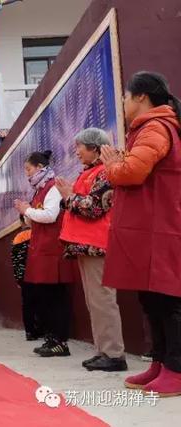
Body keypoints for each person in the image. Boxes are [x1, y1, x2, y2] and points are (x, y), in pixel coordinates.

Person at [100, 71, 181, 396]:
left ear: (141, 98)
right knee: (151, 299)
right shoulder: (151, 129)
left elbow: (133, 173)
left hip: (161, 231)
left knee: (168, 301)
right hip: (151, 230)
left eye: (125, 97)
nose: (123, 103)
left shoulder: (155, 127)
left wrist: (112, 168)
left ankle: (176, 368)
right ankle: (160, 362)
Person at [56, 127, 127, 372]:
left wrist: (69, 197)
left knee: (103, 300)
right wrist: (71, 196)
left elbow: (95, 207)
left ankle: (114, 354)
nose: (76, 152)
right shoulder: (90, 172)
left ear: (95, 149)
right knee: (94, 301)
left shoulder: (105, 172)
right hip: (87, 245)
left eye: (80, 147)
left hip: (98, 244)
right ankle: (104, 351)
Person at [14, 150, 75, 357]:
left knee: (56, 297)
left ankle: (60, 341)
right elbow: (36, 220)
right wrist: (27, 212)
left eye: (28, 169)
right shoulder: (39, 190)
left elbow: (50, 216)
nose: (27, 174)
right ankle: (51, 338)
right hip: (41, 249)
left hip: (53, 250)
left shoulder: (53, 187)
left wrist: (27, 210)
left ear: (40, 168)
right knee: (46, 297)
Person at [11, 227, 43, 341]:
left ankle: (30, 331)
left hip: (25, 276)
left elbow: (15, 260)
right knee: (42, 302)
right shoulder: (40, 233)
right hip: (41, 274)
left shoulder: (19, 237)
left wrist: (18, 278)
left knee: (28, 304)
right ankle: (41, 329)